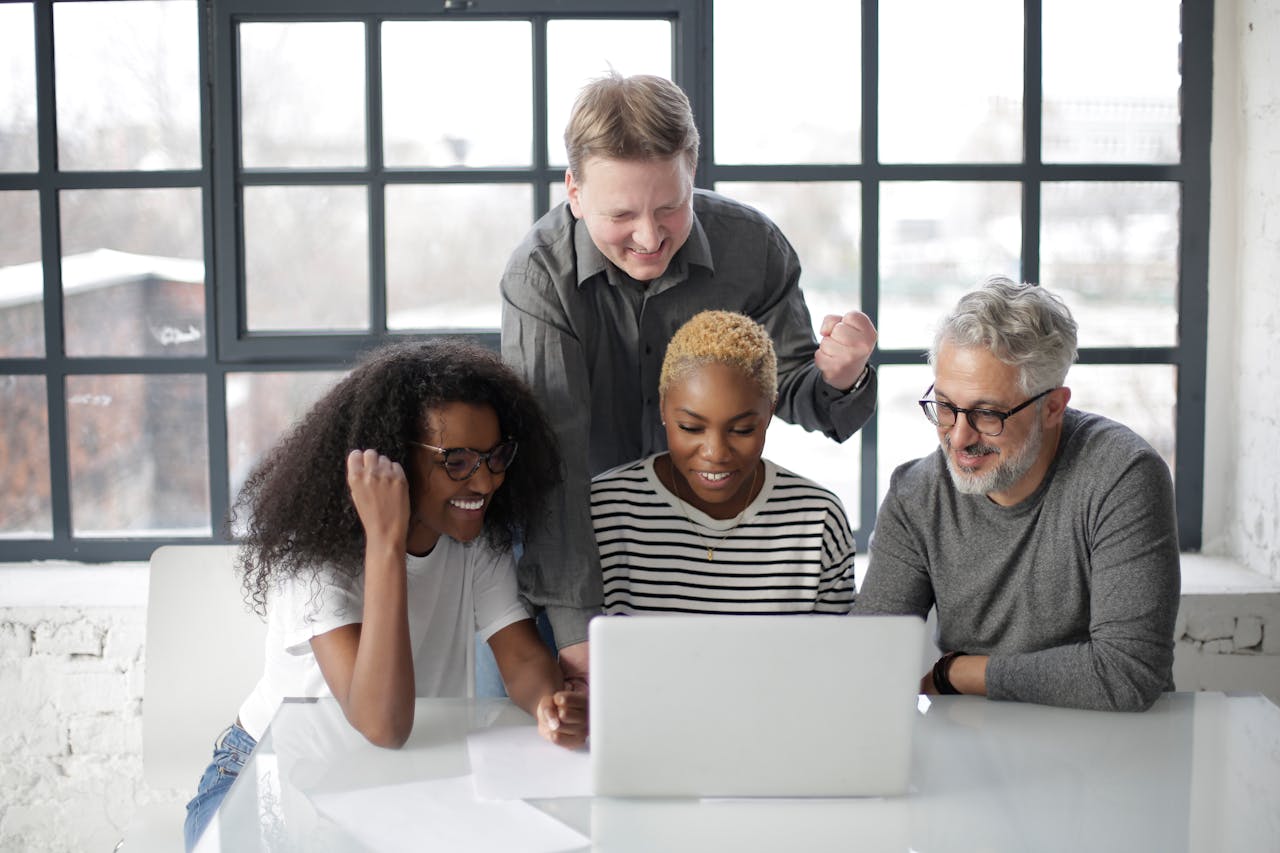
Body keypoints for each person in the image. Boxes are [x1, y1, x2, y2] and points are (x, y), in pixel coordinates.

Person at [501, 72, 877, 676]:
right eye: (621, 213)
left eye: (670, 207)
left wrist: (841, 375)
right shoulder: (540, 276)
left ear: (692, 172)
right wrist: (575, 631)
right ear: (573, 191)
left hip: (718, 559)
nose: (649, 237)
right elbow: (552, 460)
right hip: (584, 551)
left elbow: (799, 394)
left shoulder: (753, 249)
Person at [183, 340, 587, 851]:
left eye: (495, 456)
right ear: (392, 459)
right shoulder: (316, 559)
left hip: (390, 783)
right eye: (457, 461)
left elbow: (522, 660)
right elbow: (382, 723)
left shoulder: (475, 540)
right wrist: (386, 540)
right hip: (262, 778)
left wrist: (550, 704)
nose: (485, 480)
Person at [852, 276, 1180, 711]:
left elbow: (1127, 673)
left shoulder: (1122, 476)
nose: (959, 437)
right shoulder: (916, 494)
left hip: (1110, 744)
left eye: (988, 414)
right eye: (946, 407)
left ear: (1052, 407)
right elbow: (869, 658)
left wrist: (959, 673)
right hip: (973, 749)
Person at [592, 310, 855, 616]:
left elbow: (837, 657)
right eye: (690, 428)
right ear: (663, 408)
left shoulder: (818, 520)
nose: (716, 453)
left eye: (742, 430)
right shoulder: (606, 510)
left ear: (769, 414)